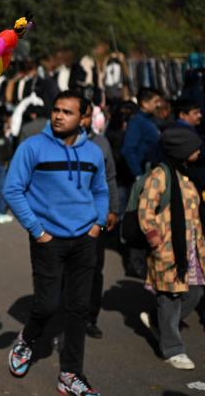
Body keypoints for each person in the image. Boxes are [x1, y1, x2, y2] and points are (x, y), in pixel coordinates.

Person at [3, 90, 108, 396]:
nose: (59, 116)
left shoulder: (94, 152)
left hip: (85, 240)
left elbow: (100, 189)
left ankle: (71, 374)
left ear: (84, 118)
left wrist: (98, 223)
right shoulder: (32, 147)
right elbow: (13, 190)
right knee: (48, 304)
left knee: (79, 308)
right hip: (48, 239)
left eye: (68, 112)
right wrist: (38, 231)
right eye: (56, 109)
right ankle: (28, 339)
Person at [138, 127, 205, 370]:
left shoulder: (187, 174)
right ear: (182, 150)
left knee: (195, 292)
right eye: (194, 147)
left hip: (191, 247)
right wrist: (154, 236)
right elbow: (146, 208)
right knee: (170, 297)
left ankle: (159, 322)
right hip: (167, 247)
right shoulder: (160, 175)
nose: (199, 151)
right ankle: (172, 349)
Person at [81, 100, 119, 339]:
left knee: (95, 270)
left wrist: (113, 209)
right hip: (65, 222)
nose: (83, 121)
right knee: (65, 273)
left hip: (96, 220)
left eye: (86, 116)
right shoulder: (56, 144)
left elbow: (111, 177)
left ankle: (89, 318)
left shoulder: (101, 143)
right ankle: (63, 322)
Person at [121, 88, 163, 278]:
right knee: (138, 221)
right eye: (155, 101)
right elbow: (128, 149)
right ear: (145, 103)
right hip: (142, 178)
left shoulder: (149, 121)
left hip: (150, 177)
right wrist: (138, 175)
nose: (158, 105)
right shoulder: (138, 122)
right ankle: (135, 264)